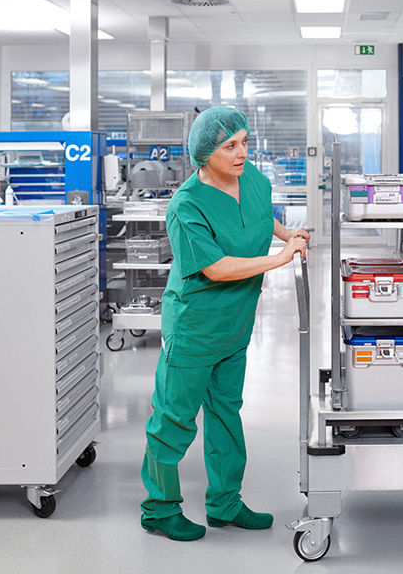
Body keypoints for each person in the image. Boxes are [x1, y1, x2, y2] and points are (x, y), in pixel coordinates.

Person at [140, 106, 310, 541]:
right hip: (195, 326)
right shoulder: (187, 205)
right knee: (174, 418)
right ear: (203, 154)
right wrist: (278, 259)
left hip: (235, 324)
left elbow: (258, 218)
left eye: (245, 141)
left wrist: (285, 234)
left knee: (226, 414)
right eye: (230, 146)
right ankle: (159, 509)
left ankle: (224, 503)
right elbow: (215, 268)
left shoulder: (252, 179)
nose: (241, 153)